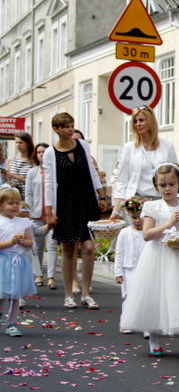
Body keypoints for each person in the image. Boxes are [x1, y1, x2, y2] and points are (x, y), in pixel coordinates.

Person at [119, 163, 179, 359]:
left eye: (171, 184)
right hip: (157, 256)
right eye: (162, 185)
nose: (167, 188)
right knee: (155, 296)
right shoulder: (151, 206)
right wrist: (168, 224)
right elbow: (147, 234)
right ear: (156, 186)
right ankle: (154, 342)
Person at [43, 113, 109, 309]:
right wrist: (49, 211)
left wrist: (101, 195)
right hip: (64, 201)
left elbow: (92, 171)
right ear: (56, 129)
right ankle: (69, 294)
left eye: (72, 125)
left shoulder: (83, 146)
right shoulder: (50, 153)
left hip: (86, 199)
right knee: (68, 249)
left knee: (88, 247)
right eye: (66, 127)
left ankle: (86, 293)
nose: (70, 129)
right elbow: (49, 182)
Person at [110, 107, 178, 219]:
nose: (138, 124)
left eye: (141, 120)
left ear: (150, 121)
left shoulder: (167, 146)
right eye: (135, 121)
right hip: (135, 204)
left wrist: (176, 204)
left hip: (161, 202)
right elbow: (122, 181)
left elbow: (175, 178)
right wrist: (116, 211)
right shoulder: (129, 148)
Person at [0, 187, 35, 337]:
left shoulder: (23, 222)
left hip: (18, 262)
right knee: (1, 294)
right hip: (3, 261)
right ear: (1, 205)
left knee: (15, 296)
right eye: (10, 203)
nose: (15, 206)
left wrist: (22, 242)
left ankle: (12, 323)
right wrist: (10, 242)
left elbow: (30, 243)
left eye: (17, 203)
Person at [114, 198, 146, 334]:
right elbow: (119, 253)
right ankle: (125, 322)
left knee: (145, 297)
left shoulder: (148, 233)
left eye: (140, 217)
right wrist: (118, 272)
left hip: (145, 269)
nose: (137, 221)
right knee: (129, 297)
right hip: (130, 269)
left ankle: (147, 325)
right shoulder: (125, 233)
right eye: (134, 218)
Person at [24, 142, 50, 287]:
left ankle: (51, 276)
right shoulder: (32, 172)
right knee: (37, 247)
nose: (41, 155)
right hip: (37, 214)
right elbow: (28, 194)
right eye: (39, 152)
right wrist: (30, 212)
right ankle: (38, 274)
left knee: (51, 246)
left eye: (44, 152)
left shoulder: (54, 171)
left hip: (51, 214)